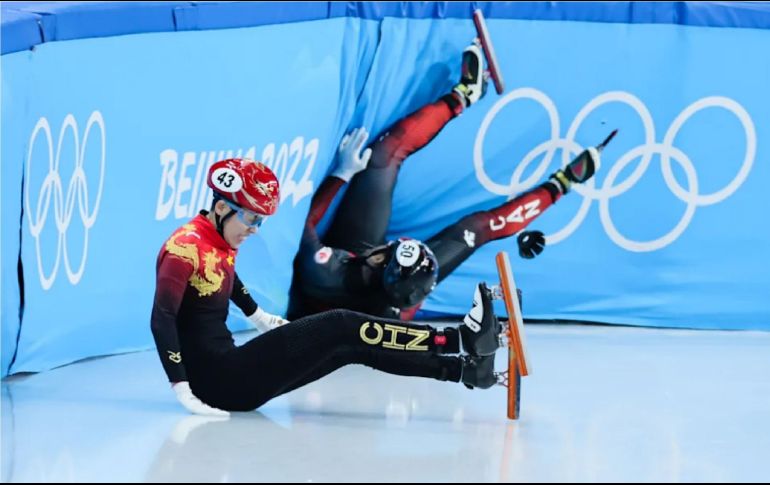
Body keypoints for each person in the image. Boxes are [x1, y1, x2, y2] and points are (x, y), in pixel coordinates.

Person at [150, 158, 505, 417]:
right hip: (220, 381)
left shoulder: (217, 239)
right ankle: (460, 338)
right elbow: (162, 319)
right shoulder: (183, 249)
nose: (256, 229)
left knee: (350, 347)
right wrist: (182, 388)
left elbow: (229, 279)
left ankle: (464, 370)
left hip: (228, 376)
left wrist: (259, 316)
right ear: (223, 207)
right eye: (252, 218)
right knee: (342, 323)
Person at [288, 41, 608, 321]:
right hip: (383, 287)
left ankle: (462, 96)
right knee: (476, 230)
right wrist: (557, 188)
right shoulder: (404, 296)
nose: (390, 245)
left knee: (382, 157)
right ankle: (561, 185)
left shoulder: (326, 273)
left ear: (380, 261)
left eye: (389, 250)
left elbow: (301, 226)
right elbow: (479, 232)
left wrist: (339, 177)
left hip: (349, 270)